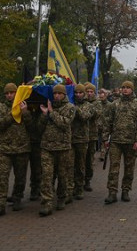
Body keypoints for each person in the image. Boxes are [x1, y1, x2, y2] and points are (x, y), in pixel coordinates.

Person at [0, 83, 31, 216]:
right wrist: (13, 113)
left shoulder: (25, 106)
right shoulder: (0, 108)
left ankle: (17, 198)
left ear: (16, 93)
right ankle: (0, 203)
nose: (9, 95)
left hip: (22, 147)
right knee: (2, 177)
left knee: (20, 177)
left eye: (12, 93)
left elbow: (32, 126)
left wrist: (24, 112)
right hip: (5, 148)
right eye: (7, 93)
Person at [103, 81, 137, 204]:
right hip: (116, 141)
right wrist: (105, 139)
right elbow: (108, 122)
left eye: (128, 88)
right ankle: (112, 192)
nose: (125, 90)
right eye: (123, 88)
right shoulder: (114, 104)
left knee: (129, 167)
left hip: (131, 142)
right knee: (114, 168)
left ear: (132, 90)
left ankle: (126, 190)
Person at [38, 84, 75, 217]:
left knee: (62, 175)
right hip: (47, 147)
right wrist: (44, 115)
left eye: (59, 94)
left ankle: (61, 197)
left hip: (63, 147)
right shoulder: (48, 106)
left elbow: (64, 124)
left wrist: (51, 112)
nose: (57, 96)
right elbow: (39, 127)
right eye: (55, 94)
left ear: (64, 94)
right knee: (46, 176)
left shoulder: (70, 108)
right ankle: (47, 203)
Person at [70, 83, 97, 201]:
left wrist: (74, 108)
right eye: (76, 93)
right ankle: (70, 188)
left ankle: (79, 188)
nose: (78, 95)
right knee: (70, 165)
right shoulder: (70, 103)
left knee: (81, 165)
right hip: (70, 139)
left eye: (80, 92)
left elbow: (84, 116)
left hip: (82, 139)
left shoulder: (88, 105)